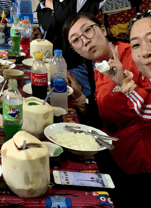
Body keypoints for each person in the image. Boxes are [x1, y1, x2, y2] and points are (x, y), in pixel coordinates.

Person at [62, 12, 151, 206]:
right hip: (113, 152)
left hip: (141, 163)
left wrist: (125, 84)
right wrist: (79, 98)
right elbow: (103, 115)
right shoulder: (97, 67)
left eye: (88, 31)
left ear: (103, 29)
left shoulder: (136, 55)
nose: (84, 41)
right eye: (76, 40)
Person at [33, 0, 117, 97]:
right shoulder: (41, 10)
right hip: (59, 68)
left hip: (83, 65)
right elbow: (52, 38)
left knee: (86, 104)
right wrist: (39, 37)